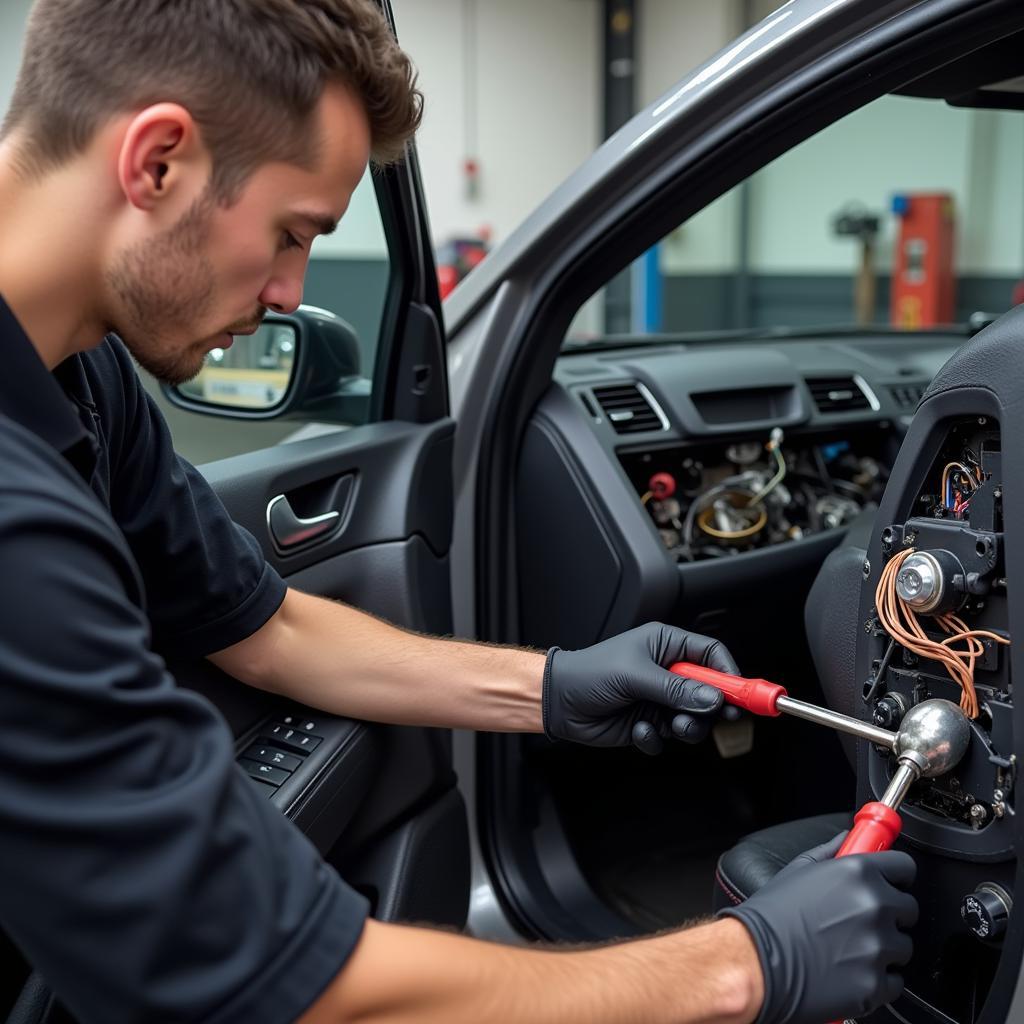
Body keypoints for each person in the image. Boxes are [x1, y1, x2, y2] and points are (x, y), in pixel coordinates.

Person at [0, 2, 917, 1022]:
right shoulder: (15, 518)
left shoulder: (80, 376)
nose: (291, 290)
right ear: (158, 159)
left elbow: (269, 629)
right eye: (292, 233)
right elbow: (280, 987)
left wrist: (553, 685)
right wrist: (745, 966)